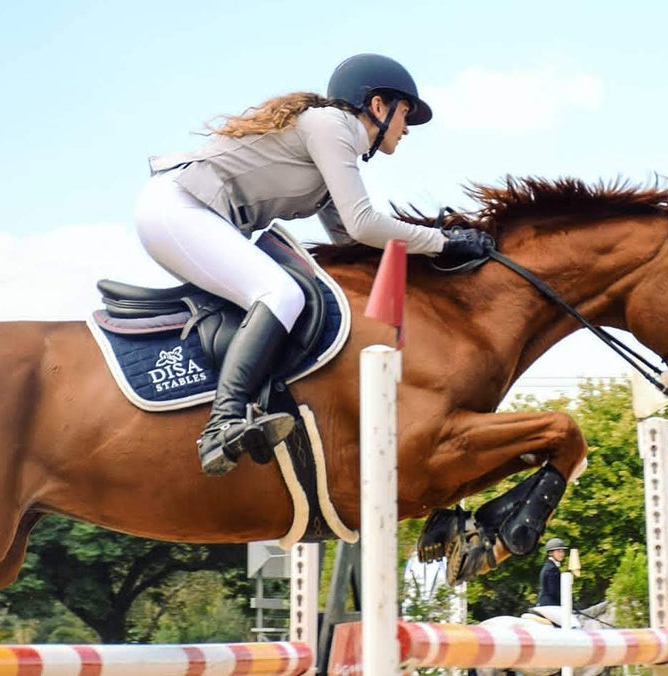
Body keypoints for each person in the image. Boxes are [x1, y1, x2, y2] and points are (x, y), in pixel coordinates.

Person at [134, 54, 491, 476]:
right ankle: (222, 424)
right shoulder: (331, 125)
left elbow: (350, 242)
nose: (407, 127)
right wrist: (443, 244)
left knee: (274, 297)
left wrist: (436, 261)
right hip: (178, 208)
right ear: (377, 106)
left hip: (189, 213)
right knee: (281, 292)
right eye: (404, 114)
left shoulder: (331, 148)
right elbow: (364, 224)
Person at [535, 537, 569, 606]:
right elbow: (554, 592)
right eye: (558, 551)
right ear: (551, 553)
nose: (562, 554)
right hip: (550, 604)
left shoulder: (551, 566)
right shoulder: (551, 569)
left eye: (562, 551)